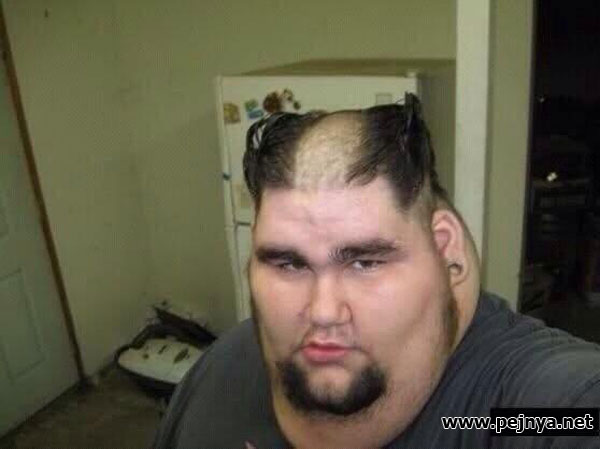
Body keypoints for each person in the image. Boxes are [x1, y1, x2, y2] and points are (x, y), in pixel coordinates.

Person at [153, 94, 600, 449]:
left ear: (444, 250)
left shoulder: (526, 410)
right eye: (289, 264)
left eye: (365, 262)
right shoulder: (219, 370)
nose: (323, 311)